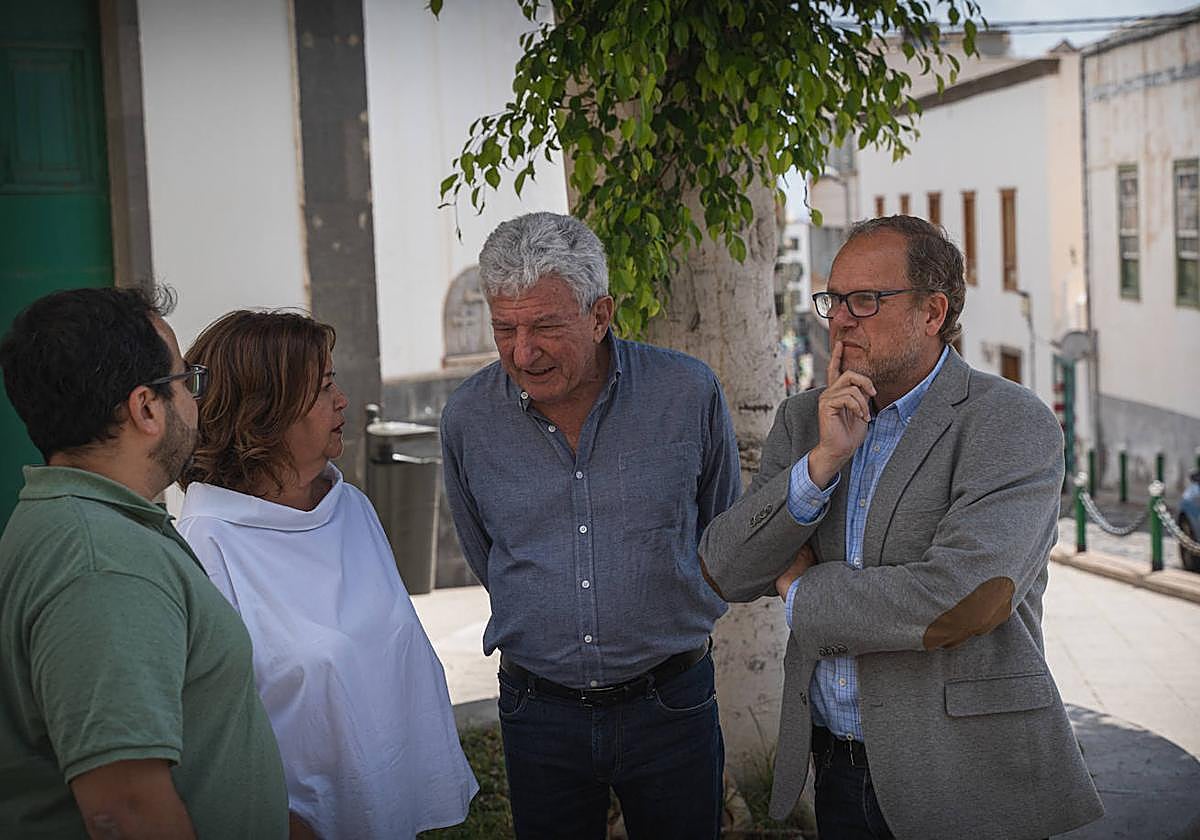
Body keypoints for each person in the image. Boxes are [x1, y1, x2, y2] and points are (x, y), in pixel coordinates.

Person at [699, 215, 1104, 839]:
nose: (840, 318)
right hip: (836, 768)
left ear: (932, 313)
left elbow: (965, 598)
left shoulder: (1008, 423)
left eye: (866, 300)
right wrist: (822, 463)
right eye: (834, 299)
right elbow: (725, 567)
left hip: (968, 774)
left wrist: (803, 592)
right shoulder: (805, 421)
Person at [440, 212, 741, 840]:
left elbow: (719, 530)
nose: (523, 352)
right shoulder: (468, 417)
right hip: (538, 712)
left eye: (546, 326)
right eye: (505, 328)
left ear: (601, 315)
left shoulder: (687, 394)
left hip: (672, 703)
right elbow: (485, 553)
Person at [175, 310, 477, 840]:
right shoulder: (207, 544)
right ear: (261, 413)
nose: (341, 400)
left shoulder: (348, 506)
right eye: (321, 388)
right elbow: (210, 737)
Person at [0, 287, 288, 838]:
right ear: (146, 408)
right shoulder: (102, 565)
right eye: (185, 380)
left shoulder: (92, 527)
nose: (195, 400)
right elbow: (126, 809)